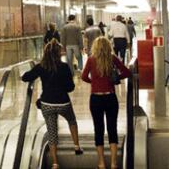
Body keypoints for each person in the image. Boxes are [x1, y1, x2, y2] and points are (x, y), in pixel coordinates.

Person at [22, 39, 83, 169]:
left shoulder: (41, 66)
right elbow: (70, 87)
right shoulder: (65, 67)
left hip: (47, 103)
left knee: (52, 131)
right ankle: (76, 146)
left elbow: (26, 77)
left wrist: (25, 73)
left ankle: (55, 163)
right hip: (62, 103)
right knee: (72, 120)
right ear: (58, 53)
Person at [82, 37, 131, 169]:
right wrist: (115, 79)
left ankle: (101, 163)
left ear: (95, 47)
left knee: (98, 130)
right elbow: (127, 72)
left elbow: (83, 76)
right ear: (108, 46)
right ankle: (114, 163)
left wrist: (94, 82)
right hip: (110, 98)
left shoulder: (91, 59)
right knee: (112, 129)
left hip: (96, 99)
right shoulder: (112, 58)